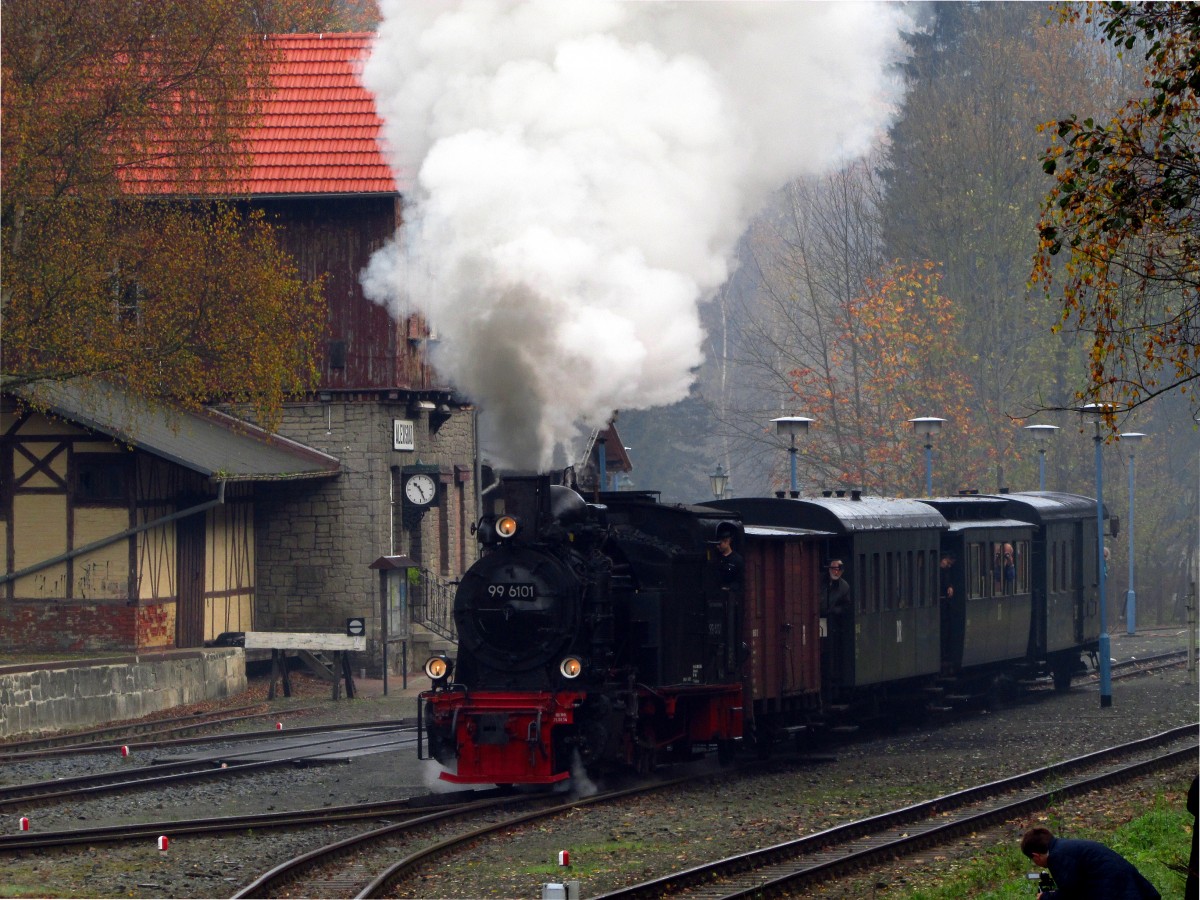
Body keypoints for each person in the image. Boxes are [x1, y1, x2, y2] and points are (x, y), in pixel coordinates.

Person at [1020, 826, 1160, 900]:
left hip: (1117, 891)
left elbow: (1070, 894)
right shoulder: (1065, 848)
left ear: (1035, 856)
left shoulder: (1057, 857)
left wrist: (1046, 897)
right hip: (1127, 887)